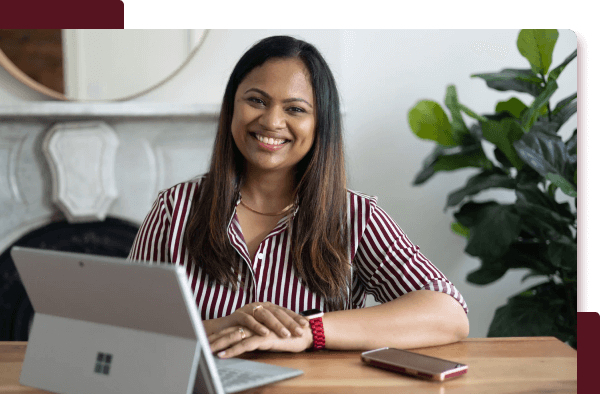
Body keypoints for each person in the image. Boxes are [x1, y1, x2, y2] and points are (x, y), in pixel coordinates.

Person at [128, 35, 468, 359]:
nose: (272, 121)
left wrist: (309, 331)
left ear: (320, 123)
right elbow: (123, 328)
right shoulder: (176, 209)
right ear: (232, 105)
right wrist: (226, 327)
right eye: (256, 100)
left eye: (295, 109)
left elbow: (449, 313)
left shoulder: (355, 216)